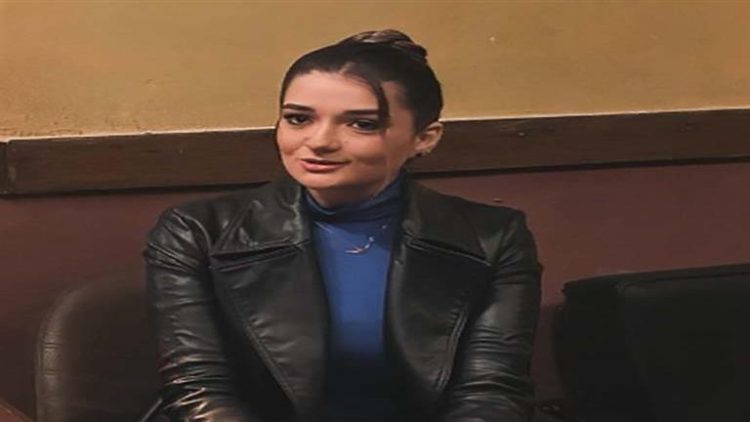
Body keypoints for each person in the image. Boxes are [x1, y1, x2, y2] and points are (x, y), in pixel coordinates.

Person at [144, 29, 542, 422]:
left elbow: (491, 391)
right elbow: (198, 389)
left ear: (424, 137)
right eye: (298, 119)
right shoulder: (197, 231)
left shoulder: (493, 237)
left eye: (361, 124)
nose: (319, 141)